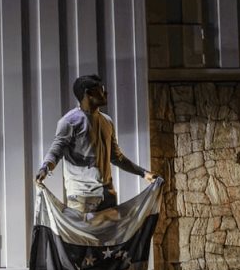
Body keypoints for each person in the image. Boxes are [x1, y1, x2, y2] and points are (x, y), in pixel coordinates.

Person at [36, 74, 156, 216]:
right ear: (88, 93)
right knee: (84, 239)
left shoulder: (107, 121)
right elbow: (56, 151)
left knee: (111, 238)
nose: (106, 92)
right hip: (82, 198)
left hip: (108, 195)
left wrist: (144, 173)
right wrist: (44, 168)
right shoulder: (69, 122)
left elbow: (117, 157)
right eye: (101, 89)